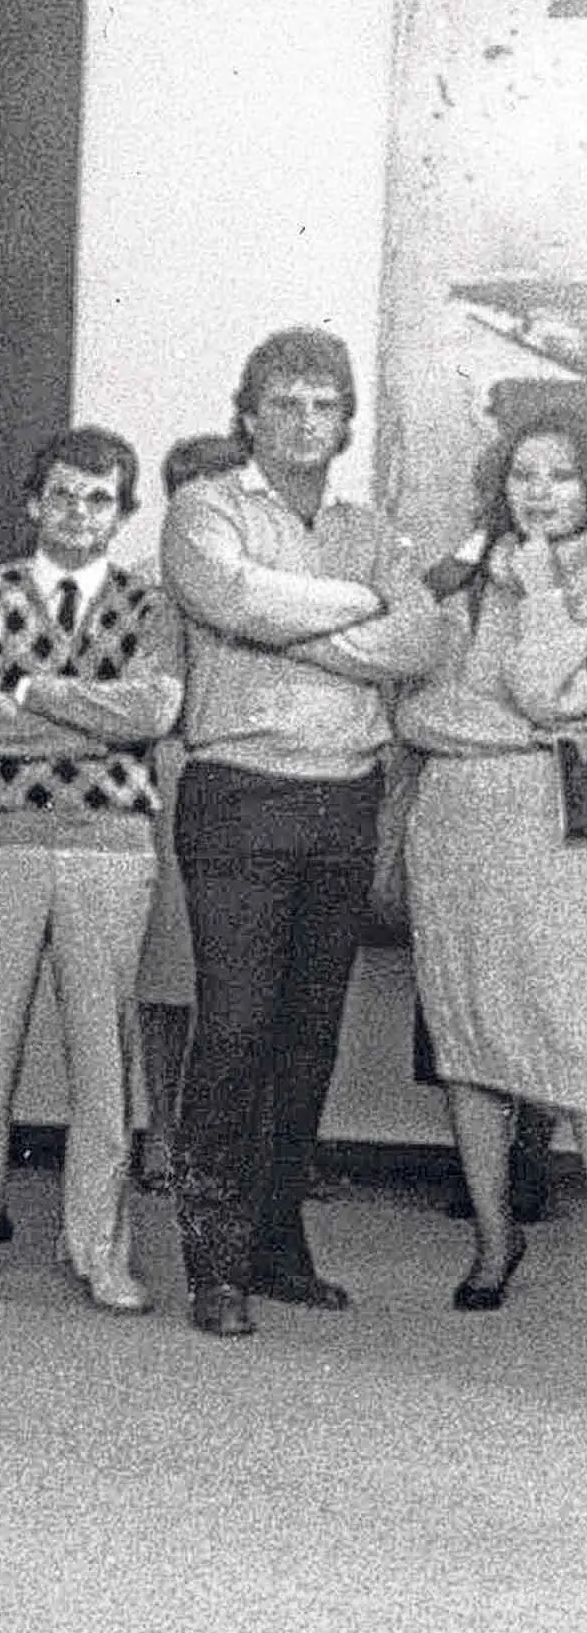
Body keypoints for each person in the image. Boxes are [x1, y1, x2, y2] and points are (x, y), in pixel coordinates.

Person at [160, 327, 440, 1339]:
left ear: (347, 421)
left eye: (324, 405)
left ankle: (277, 1244)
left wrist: (291, 623)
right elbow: (226, 595)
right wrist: (357, 609)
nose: (305, 421)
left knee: (307, 1036)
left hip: (345, 797)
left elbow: (421, 638)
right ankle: (214, 1264)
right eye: (284, 403)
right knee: (233, 1027)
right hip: (240, 792)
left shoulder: (371, 525)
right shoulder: (205, 508)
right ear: (247, 413)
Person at [0, 428, 185, 1315]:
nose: (78, 513)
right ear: (33, 501)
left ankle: (100, 1249)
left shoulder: (151, 605)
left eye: (99, 499)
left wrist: (34, 689)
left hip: (110, 849)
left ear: (123, 513)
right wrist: (96, 720)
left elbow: (154, 709)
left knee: (103, 1053)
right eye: (62, 495)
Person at [396, 405, 587, 1310]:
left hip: (553, 828)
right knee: (466, 1034)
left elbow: (548, 692)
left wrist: (545, 586)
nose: (539, 492)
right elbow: (414, 711)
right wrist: (509, 731)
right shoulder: (462, 575)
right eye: (523, 476)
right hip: (457, 823)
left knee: (569, 1031)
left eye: (559, 475)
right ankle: (491, 1237)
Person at [133, 432, 251, 1190]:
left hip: (253, 775)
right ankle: (163, 1134)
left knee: (248, 978)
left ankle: (249, 1146)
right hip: (173, 774)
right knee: (169, 975)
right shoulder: (144, 583)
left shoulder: (262, 579)